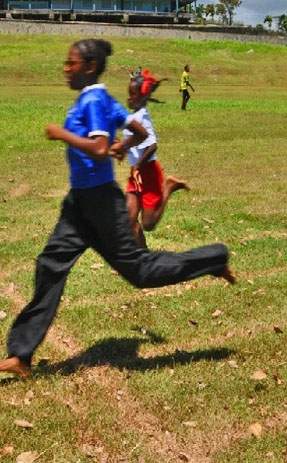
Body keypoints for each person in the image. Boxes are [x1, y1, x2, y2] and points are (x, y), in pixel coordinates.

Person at [0, 39, 234, 379]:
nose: (66, 69)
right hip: (79, 204)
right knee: (51, 264)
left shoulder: (94, 99)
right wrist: (123, 146)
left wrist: (62, 134)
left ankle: (214, 258)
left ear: (89, 66)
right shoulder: (100, 98)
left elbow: (97, 147)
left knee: (139, 271)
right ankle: (21, 355)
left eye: (71, 63)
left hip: (100, 205)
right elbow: (138, 130)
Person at [124, 68, 189, 247]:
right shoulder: (133, 116)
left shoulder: (142, 117)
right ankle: (143, 258)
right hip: (136, 173)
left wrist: (138, 166)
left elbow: (152, 145)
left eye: (132, 94)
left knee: (148, 224)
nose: (128, 98)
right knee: (128, 221)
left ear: (143, 97)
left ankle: (169, 186)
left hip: (148, 173)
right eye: (128, 93)